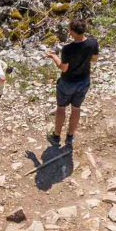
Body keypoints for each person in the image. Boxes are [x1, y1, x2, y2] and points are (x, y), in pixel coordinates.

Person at [45, 19, 99, 148]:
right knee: (76, 108)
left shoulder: (68, 49)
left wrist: (53, 57)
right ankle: (70, 137)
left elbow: (63, 68)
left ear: (71, 32)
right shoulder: (92, 42)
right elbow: (94, 59)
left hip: (67, 82)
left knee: (61, 108)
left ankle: (56, 136)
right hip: (84, 80)